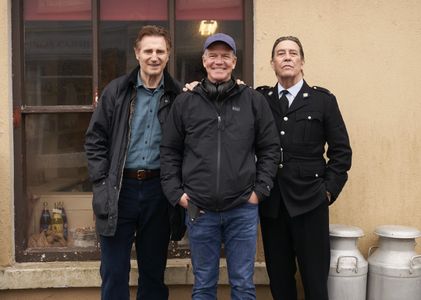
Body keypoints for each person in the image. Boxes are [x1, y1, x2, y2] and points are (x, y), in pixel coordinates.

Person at [160, 33, 280, 300]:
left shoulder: (253, 101)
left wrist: (259, 191)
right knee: (203, 285)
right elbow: (169, 151)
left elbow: (270, 148)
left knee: (243, 285)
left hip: (242, 209)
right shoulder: (185, 102)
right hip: (199, 209)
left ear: (234, 61)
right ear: (203, 60)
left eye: (225, 56)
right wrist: (176, 193)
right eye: (213, 55)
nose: (219, 61)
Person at [85, 25, 185, 300]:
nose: (154, 56)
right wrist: (102, 182)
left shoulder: (179, 96)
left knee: (153, 272)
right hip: (119, 191)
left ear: (168, 55)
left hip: (159, 193)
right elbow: (95, 141)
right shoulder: (116, 91)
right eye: (148, 51)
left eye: (160, 51)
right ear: (137, 54)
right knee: (114, 271)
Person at [256, 36, 352, 300]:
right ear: (273, 63)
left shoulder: (323, 101)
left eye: (293, 53)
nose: (287, 57)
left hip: (311, 203)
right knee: (279, 280)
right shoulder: (259, 99)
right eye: (280, 53)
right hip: (272, 204)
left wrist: (327, 192)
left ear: (302, 62)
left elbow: (341, 153)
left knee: (315, 280)